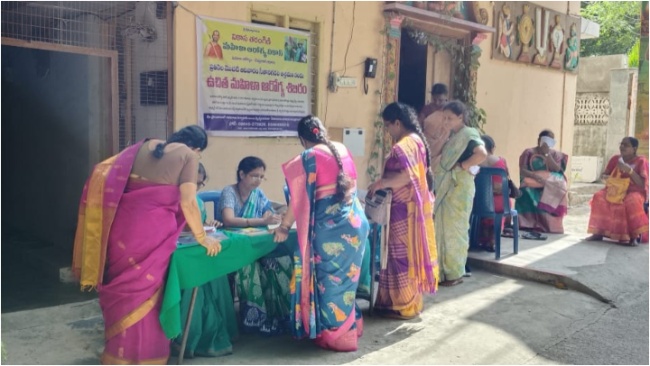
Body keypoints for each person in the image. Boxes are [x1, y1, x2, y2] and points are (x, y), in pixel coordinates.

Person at [72, 125, 220, 364]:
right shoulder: (189, 156)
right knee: (148, 294)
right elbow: (189, 201)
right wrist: (202, 237)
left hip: (120, 232)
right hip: (152, 234)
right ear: (196, 148)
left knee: (123, 291)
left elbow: (103, 172)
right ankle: (147, 357)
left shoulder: (139, 148)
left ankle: (116, 356)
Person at [271, 115, 369, 352]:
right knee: (347, 282)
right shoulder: (341, 149)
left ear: (302, 139)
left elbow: (299, 198)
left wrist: (283, 227)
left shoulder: (309, 157)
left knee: (330, 284)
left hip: (331, 232)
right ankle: (352, 325)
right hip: (356, 224)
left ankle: (336, 336)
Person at [367, 102, 438, 319]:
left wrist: (380, 184)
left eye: (388, 126)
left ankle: (402, 305)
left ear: (397, 123)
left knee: (398, 256)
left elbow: (407, 177)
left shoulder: (404, 145)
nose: (388, 131)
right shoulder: (416, 141)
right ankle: (402, 303)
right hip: (410, 208)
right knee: (402, 255)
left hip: (402, 210)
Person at [216, 156, 290, 335]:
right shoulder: (229, 192)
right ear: (242, 174)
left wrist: (271, 217)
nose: (258, 180)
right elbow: (228, 220)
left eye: (261, 176)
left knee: (280, 261)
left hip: (255, 245)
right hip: (234, 248)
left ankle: (279, 314)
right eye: (254, 175)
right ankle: (254, 318)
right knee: (248, 267)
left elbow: (268, 212)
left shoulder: (258, 194)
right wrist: (259, 220)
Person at [172, 163, 238, 359]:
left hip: (197, 251)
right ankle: (186, 338)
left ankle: (218, 331)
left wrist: (208, 226)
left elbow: (199, 224)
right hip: (177, 255)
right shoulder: (169, 200)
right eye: (194, 183)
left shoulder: (197, 202)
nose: (197, 188)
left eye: (200, 184)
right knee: (197, 283)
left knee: (217, 275)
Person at [434, 101, 487, 287]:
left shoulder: (469, 134)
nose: (446, 121)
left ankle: (455, 273)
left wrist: (463, 166)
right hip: (446, 188)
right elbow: (435, 154)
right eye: (444, 118)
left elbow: (481, 154)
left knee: (454, 231)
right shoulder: (454, 136)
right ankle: (441, 272)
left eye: (450, 118)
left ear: (461, 117)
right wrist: (445, 135)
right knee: (441, 228)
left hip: (458, 189)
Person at [586, 137, 649, 246]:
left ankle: (633, 236)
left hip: (633, 191)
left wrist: (629, 170)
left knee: (631, 201)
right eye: (621, 144)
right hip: (614, 190)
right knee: (599, 197)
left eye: (626, 145)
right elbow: (605, 175)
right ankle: (598, 232)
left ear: (634, 149)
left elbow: (642, 184)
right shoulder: (615, 159)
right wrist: (605, 177)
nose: (622, 147)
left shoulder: (641, 161)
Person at [515, 129, 569, 234]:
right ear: (539, 140)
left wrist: (547, 155)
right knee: (527, 190)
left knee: (557, 188)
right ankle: (528, 224)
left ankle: (550, 226)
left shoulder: (555, 154)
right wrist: (534, 176)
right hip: (531, 181)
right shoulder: (529, 152)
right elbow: (523, 170)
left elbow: (558, 170)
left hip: (549, 184)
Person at [477, 135, 514, 252]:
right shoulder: (501, 161)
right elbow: (505, 182)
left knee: (486, 204)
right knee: (503, 202)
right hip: (499, 203)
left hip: (478, 202)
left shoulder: (474, 161)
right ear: (492, 148)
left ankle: (482, 239)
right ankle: (493, 240)